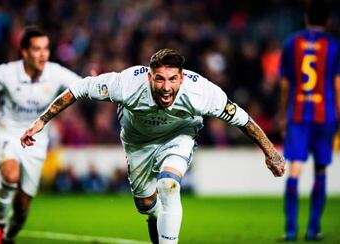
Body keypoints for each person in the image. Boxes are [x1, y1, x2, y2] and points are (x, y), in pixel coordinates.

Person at [21, 48, 285, 244]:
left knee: (168, 185)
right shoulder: (127, 84)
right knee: (146, 205)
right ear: (149, 77)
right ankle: (156, 219)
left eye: (172, 79)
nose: (166, 87)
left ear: (182, 78)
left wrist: (271, 153)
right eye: (159, 79)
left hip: (180, 135)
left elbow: (244, 120)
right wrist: (42, 121)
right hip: (138, 143)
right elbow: (78, 89)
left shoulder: (203, 93)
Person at [0, 26, 81, 244]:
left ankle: (9, 237)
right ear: (24, 52)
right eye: (37, 49)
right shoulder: (7, 72)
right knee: (10, 175)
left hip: (37, 141)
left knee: (22, 208)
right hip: (7, 132)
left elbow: (82, 86)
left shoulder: (55, 72)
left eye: (46, 48)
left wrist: (93, 80)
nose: (43, 54)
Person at [279, 1, 340, 241]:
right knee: (321, 170)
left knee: (294, 169)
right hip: (325, 115)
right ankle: (313, 229)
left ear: (305, 18)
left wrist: (283, 112)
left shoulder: (292, 42)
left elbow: (284, 84)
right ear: (329, 21)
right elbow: (336, 84)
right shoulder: (333, 45)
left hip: (298, 115)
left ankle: (291, 229)